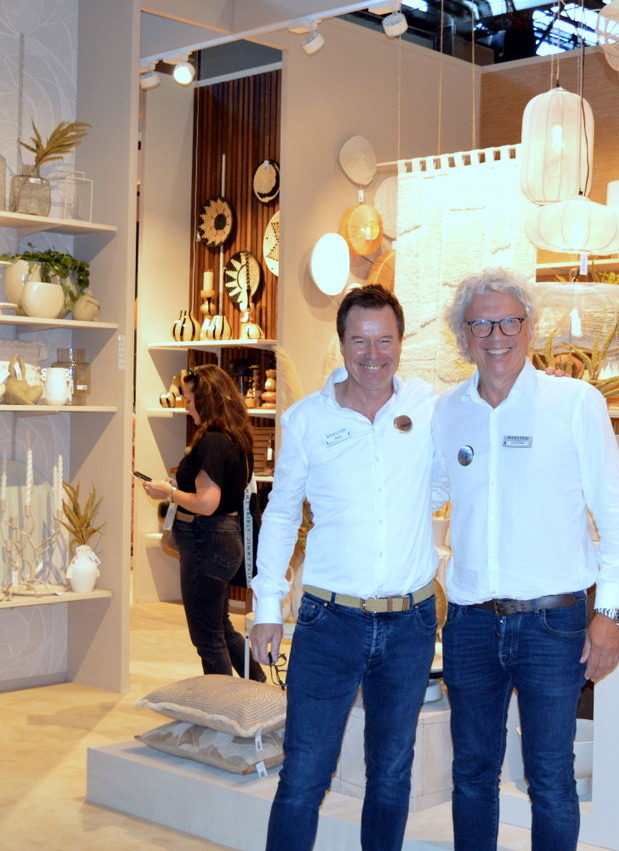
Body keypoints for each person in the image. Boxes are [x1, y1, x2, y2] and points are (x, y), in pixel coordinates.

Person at [432, 270, 619, 850]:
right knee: (472, 773)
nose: (496, 336)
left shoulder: (574, 403)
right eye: (481, 324)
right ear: (463, 335)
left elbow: (615, 515)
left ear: (529, 328)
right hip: (471, 623)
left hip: (554, 624)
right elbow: (424, 496)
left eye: (509, 322)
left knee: (550, 778)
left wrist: (611, 614)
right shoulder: (447, 412)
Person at [250, 284, 441, 851]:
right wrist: (266, 608)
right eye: (360, 340)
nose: (373, 354)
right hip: (329, 623)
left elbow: (447, 481)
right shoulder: (306, 420)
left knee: (392, 773)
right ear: (341, 343)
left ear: (401, 342)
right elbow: (281, 515)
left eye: (385, 340)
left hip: (410, 624)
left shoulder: (428, 407)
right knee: (304, 775)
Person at [140, 364, 265, 682]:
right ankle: (258, 686)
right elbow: (215, 492)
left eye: (188, 397)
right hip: (224, 540)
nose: (186, 405)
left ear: (205, 399)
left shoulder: (211, 441)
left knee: (207, 638)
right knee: (220, 626)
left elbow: (207, 503)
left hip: (206, 542)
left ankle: (219, 704)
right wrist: (178, 487)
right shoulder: (235, 437)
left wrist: (169, 493)